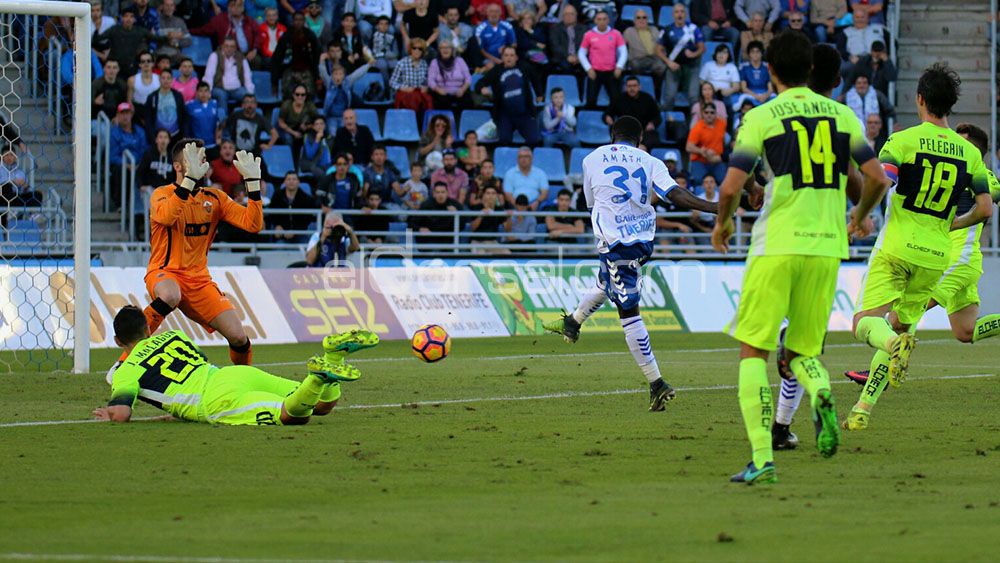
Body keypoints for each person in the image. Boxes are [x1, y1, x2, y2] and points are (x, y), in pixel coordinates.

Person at [708, 31, 891, 483]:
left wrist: (722, 223)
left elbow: (731, 187)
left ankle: (762, 459)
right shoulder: (843, 114)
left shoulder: (762, 116)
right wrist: (858, 216)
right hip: (828, 246)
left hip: (778, 244)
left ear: (769, 70)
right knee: (804, 351)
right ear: (811, 69)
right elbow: (875, 178)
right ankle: (823, 394)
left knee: (755, 349)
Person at [842, 64, 993, 432]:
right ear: (950, 105)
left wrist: (860, 214)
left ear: (920, 99)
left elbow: (881, 181)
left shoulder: (903, 140)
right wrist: (952, 224)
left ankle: (893, 345)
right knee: (904, 327)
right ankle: (862, 409)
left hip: (897, 247)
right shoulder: (969, 153)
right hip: (936, 254)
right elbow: (986, 208)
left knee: (866, 324)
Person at [543, 117, 681, 412]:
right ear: (640, 137)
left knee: (629, 313)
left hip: (615, 243)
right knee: (606, 284)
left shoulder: (592, 159)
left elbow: (592, 204)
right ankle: (572, 322)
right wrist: (714, 207)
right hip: (641, 242)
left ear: (611, 135)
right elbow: (675, 194)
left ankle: (656, 383)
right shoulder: (650, 160)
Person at [842, 124, 1000, 380]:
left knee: (902, 317)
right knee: (965, 331)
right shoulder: (955, 167)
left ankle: (876, 373)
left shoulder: (981, 174)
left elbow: (989, 200)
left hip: (956, 260)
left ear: (974, 148)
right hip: (956, 258)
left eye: (960, 141)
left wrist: (957, 221)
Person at [107, 139, 264, 377]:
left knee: (238, 336)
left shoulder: (215, 198)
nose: (203, 162)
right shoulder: (161, 194)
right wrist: (189, 182)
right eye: (196, 159)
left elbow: (253, 224)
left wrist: (253, 184)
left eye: (203, 158)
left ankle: (245, 379)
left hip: (200, 281)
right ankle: (122, 363)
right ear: (178, 166)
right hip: (164, 272)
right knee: (170, 295)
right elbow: (168, 217)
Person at [95, 306, 371, 426]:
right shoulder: (173, 336)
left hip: (217, 401)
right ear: (148, 328)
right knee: (320, 405)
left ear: (119, 341)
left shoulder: (126, 371)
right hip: (232, 375)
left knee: (295, 416)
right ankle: (333, 358)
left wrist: (109, 413)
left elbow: (122, 414)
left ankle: (319, 375)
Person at [477, 46, 541, 145]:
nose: (509, 58)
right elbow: (479, 83)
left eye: (512, 55)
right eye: (506, 55)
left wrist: (539, 94)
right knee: (504, 140)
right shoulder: (496, 70)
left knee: (534, 140)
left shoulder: (524, 67)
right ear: (502, 57)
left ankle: (525, 157)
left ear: (516, 57)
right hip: (505, 115)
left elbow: (535, 78)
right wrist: (482, 89)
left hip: (524, 114)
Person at [660, 3, 705, 111]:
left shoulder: (694, 29)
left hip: (692, 67)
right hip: (674, 67)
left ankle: (694, 124)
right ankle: (666, 121)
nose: (679, 14)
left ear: (686, 14)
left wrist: (693, 54)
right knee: (669, 97)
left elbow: (702, 48)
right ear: (673, 15)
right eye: (677, 12)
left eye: (682, 11)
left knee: (694, 97)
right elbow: (657, 49)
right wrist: (668, 62)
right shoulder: (666, 30)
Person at [578, 10, 626, 108]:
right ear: (595, 21)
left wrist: (619, 67)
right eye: (599, 19)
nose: (602, 21)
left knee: (617, 100)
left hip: (611, 71)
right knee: (590, 100)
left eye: (604, 19)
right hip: (594, 72)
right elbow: (581, 53)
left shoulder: (616, 34)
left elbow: (624, 51)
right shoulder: (589, 35)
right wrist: (588, 69)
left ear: (608, 20)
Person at [271, 11, 321, 98]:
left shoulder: (310, 36)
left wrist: (317, 77)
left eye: (301, 20)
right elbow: (277, 58)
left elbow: (316, 57)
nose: (298, 22)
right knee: (287, 94)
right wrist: (274, 82)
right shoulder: (286, 37)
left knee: (308, 94)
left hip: (306, 70)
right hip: (289, 69)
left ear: (304, 21)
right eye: (296, 20)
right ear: (292, 21)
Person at [205, 37, 256, 121]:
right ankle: (223, 123)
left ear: (235, 48)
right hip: (219, 88)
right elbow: (209, 76)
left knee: (247, 95)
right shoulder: (215, 56)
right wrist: (207, 92)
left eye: (232, 46)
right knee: (222, 95)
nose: (229, 49)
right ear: (222, 46)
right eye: (227, 46)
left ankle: (247, 121)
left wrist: (250, 94)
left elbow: (247, 77)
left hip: (237, 89)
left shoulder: (241, 57)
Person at [191, 0, 259, 63]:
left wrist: (254, 50)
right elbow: (204, 30)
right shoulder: (219, 19)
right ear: (228, 7)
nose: (236, 8)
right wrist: (187, 31)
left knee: (257, 61)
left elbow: (258, 34)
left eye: (239, 6)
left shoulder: (249, 21)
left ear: (243, 8)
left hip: (248, 54)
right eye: (233, 5)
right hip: (229, 53)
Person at [109, 102, 148, 210]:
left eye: (127, 113)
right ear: (117, 115)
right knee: (120, 170)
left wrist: (140, 164)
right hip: (123, 165)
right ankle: (121, 204)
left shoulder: (140, 132)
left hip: (138, 164)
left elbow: (144, 151)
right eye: (122, 113)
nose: (125, 116)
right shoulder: (114, 133)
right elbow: (112, 156)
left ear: (131, 114)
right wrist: (126, 165)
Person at [95, 8, 154, 78]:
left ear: (135, 19)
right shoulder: (115, 29)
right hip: (115, 68)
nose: (128, 19)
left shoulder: (139, 31)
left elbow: (156, 38)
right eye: (126, 16)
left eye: (131, 16)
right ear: (122, 18)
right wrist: (97, 29)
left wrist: (168, 37)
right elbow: (97, 39)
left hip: (131, 68)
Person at [604, 76, 661, 147]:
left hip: (644, 131)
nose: (632, 88)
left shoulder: (647, 98)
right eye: (629, 86)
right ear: (625, 87)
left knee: (651, 140)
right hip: (623, 132)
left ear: (639, 87)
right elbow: (607, 114)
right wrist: (608, 118)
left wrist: (653, 123)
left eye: (634, 86)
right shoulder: (619, 99)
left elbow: (657, 117)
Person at [268, 171, 317, 244]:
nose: (291, 181)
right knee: (279, 248)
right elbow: (271, 214)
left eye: (294, 179)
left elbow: (308, 219)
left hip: (300, 234)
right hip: (282, 235)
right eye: (289, 179)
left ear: (298, 182)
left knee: (304, 248)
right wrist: (277, 226)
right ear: (284, 182)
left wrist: (295, 231)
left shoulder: (306, 199)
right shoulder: (277, 196)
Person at [389, 38, 433, 115]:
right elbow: (392, 82)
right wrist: (403, 88)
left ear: (423, 52)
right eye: (414, 48)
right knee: (412, 100)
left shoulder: (424, 64)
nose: (417, 51)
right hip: (405, 93)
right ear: (410, 49)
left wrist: (426, 87)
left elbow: (427, 81)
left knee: (428, 99)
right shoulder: (401, 63)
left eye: (420, 49)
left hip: (419, 93)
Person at [143, 68, 188, 143]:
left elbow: (183, 116)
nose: (166, 80)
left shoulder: (178, 96)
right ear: (159, 79)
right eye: (163, 78)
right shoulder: (152, 97)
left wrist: (184, 135)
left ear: (172, 80)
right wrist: (152, 138)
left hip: (176, 135)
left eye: (168, 78)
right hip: (159, 138)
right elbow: (148, 119)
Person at [686, 104, 728, 184]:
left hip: (717, 160)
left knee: (723, 181)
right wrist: (702, 151)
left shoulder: (722, 124)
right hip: (700, 161)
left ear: (716, 114)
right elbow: (688, 147)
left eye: (712, 113)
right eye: (706, 112)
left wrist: (720, 156)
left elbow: (723, 141)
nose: (709, 115)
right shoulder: (697, 127)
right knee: (699, 181)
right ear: (702, 114)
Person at [428, 41, 472, 110]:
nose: (445, 50)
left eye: (448, 47)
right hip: (441, 92)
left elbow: (468, 78)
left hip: (459, 90)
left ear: (452, 50)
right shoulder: (434, 62)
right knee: (441, 101)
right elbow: (430, 80)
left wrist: (462, 89)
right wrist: (438, 89)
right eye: (442, 48)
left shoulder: (460, 61)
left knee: (467, 100)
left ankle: (463, 120)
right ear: (439, 50)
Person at [623, 9, 666, 79]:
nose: (641, 20)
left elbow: (661, 45)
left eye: (644, 17)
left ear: (647, 20)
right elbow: (621, 47)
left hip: (654, 58)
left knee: (662, 67)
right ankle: (638, 83)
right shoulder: (629, 31)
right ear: (634, 20)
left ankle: (657, 87)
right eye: (638, 18)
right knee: (635, 65)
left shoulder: (654, 29)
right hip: (638, 59)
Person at [733, 41, 774, 109]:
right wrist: (756, 96)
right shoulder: (744, 67)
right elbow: (744, 88)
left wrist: (765, 96)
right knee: (740, 101)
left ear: (761, 53)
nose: (755, 54)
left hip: (765, 94)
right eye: (753, 52)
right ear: (749, 54)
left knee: (774, 97)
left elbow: (770, 89)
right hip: (750, 94)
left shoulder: (767, 66)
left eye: (758, 52)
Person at [475, 3, 516, 70]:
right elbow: (481, 50)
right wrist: (497, 61)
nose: (494, 14)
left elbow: (514, 44)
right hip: (488, 58)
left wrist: (505, 48)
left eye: (496, 11)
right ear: (487, 13)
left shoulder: (507, 26)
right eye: (491, 11)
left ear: (500, 13)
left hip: (506, 56)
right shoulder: (480, 29)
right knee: (491, 67)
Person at [548, 3, 586, 75]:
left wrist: (578, 56)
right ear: (562, 16)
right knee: (566, 67)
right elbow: (555, 46)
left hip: (580, 58)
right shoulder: (555, 29)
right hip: (562, 58)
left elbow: (586, 45)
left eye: (572, 14)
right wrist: (568, 56)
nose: (569, 16)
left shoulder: (584, 29)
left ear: (576, 15)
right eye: (566, 14)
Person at [186, 82, 222, 152]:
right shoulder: (189, 106)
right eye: (201, 91)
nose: (203, 94)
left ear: (209, 93)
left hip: (213, 145)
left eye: (206, 91)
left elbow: (221, 123)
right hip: (197, 146)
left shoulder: (215, 104)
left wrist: (219, 137)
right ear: (196, 93)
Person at [137, 129, 175, 196]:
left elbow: (176, 176)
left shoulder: (172, 157)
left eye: (165, 137)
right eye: (160, 137)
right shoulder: (149, 154)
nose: (163, 140)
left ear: (169, 140)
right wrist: (141, 186)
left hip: (167, 191)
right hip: (151, 189)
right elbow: (140, 171)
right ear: (156, 140)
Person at [156, 0, 192, 65]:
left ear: (174, 8)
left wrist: (176, 44)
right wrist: (168, 38)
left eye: (171, 5)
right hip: (160, 54)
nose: (169, 8)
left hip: (176, 55)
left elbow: (188, 40)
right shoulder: (155, 21)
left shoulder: (180, 22)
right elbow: (151, 39)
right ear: (162, 7)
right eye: (167, 5)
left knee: (188, 63)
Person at [321, 64, 351, 130]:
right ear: (332, 76)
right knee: (333, 135)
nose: (338, 76)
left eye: (340, 74)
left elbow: (357, 74)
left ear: (344, 76)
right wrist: (321, 62)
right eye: (336, 74)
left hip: (343, 117)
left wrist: (368, 65)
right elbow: (323, 73)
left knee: (344, 134)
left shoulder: (347, 83)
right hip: (331, 117)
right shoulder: (329, 83)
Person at [370, 15, 399, 82]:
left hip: (389, 56)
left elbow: (396, 52)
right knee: (382, 65)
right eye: (381, 24)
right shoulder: (373, 36)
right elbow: (370, 49)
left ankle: (393, 84)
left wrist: (391, 55)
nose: (384, 26)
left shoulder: (392, 37)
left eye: (386, 24)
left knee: (396, 64)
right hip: (377, 57)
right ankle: (386, 86)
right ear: (377, 26)